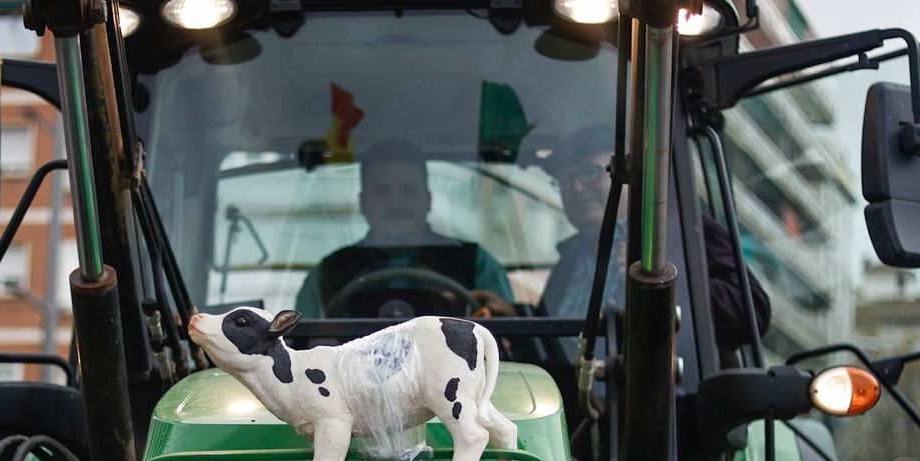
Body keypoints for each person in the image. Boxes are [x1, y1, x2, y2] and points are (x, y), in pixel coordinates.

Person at [538, 126, 770, 360]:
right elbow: (550, 342)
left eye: (589, 173)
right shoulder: (571, 258)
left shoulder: (684, 230)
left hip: (670, 393)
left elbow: (752, 312)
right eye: (565, 182)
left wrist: (658, 280)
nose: (576, 189)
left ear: (625, 174)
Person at [294, 140, 515, 317]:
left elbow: (512, 348)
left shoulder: (477, 265)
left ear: (427, 199)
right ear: (363, 202)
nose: (396, 204)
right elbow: (298, 352)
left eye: (408, 190)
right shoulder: (328, 273)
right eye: (382, 191)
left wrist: (507, 317)